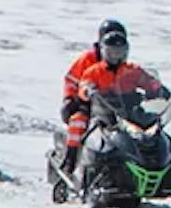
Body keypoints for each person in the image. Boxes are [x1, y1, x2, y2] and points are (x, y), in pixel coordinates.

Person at [56, 20, 146, 185]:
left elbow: (137, 79)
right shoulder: (88, 60)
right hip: (88, 104)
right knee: (78, 123)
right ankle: (70, 161)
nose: (115, 46)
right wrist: (71, 98)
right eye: (111, 41)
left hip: (117, 106)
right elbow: (72, 80)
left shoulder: (124, 65)